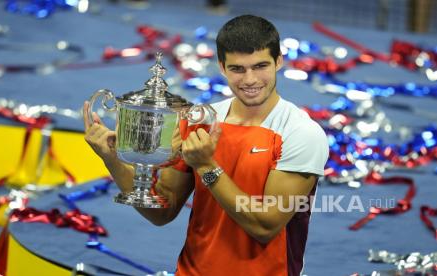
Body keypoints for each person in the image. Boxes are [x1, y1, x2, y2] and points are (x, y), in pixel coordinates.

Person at [84, 14, 329, 276]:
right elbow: (161, 212)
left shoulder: (301, 133)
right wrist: (111, 158)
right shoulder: (199, 120)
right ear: (222, 67)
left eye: (260, 66)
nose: (250, 80)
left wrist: (206, 166)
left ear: (278, 61)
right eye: (237, 69)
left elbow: (265, 225)